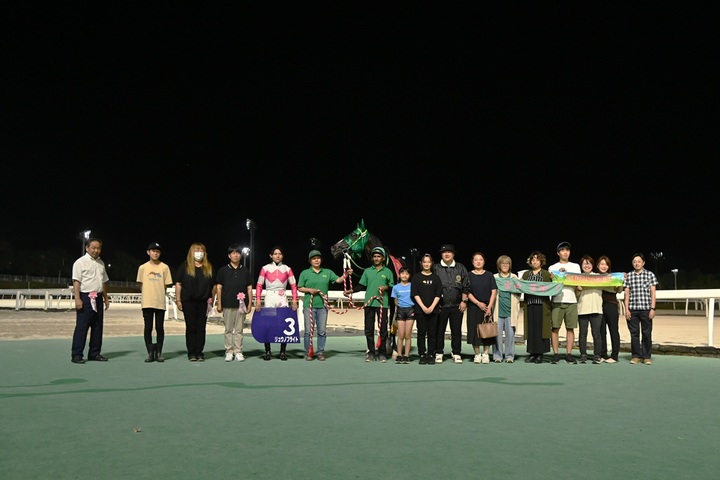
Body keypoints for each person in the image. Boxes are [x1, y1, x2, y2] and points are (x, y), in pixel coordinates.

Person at [296, 249, 350, 361]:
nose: (316, 260)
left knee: (321, 331)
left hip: (323, 307)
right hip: (309, 306)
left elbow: (338, 280)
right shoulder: (305, 273)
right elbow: (300, 287)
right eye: (314, 259)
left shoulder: (327, 272)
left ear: (321, 260)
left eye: (318, 258)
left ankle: (320, 352)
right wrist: (310, 290)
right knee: (308, 331)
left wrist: (345, 275)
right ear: (310, 261)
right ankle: (308, 352)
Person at [345, 246, 395, 362]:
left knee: (383, 330)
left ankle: (382, 353)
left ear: (383, 258)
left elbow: (392, 287)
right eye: (374, 256)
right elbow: (361, 286)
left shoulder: (388, 272)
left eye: (379, 256)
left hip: (382, 304)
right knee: (369, 329)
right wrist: (351, 291)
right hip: (369, 304)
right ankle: (371, 352)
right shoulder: (367, 271)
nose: (376, 258)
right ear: (372, 258)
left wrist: (386, 287)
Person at [70, 237, 110, 364]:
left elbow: (103, 282)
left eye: (98, 248)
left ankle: (94, 353)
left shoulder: (101, 263)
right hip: (85, 298)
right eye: (93, 248)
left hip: (98, 298)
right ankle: (77, 354)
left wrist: (105, 298)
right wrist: (77, 299)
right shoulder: (80, 262)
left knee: (98, 327)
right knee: (82, 327)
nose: (96, 250)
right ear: (87, 248)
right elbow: (76, 281)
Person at [255, 245, 298, 361]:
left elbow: (294, 286)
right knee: (268, 324)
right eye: (275, 254)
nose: (277, 256)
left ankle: (282, 352)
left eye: (279, 254)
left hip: (282, 297)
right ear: (271, 255)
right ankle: (268, 351)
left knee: (283, 324)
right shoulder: (265, 268)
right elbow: (259, 285)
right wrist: (258, 300)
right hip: (269, 296)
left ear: (282, 256)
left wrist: (294, 300)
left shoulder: (287, 269)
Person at [175, 242, 214, 362]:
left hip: (203, 302)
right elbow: (178, 284)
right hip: (188, 302)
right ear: (191, 252)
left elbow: (213, 286)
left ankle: (199, 352)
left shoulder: (208, 267)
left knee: (201, 328)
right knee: (191, 327)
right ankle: (191, 352)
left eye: (201, 250)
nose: (199, 253)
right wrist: (178, 300)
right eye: (197, 250)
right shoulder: (184, 266)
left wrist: (212, 299)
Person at [215, 244, 254, 362]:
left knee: (239, 330)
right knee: (228, 329)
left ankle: (238, 351)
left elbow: (249, 289)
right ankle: (229, 351)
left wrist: (249, 303)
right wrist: (219, 303)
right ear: (229, 255)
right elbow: (219, 288)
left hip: (241, 306)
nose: (236, 255)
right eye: (233, 253)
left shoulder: (245, 271)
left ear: (240, 255)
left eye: (238, 253)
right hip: (227, 304)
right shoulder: (223, 270)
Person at [136, 242, 173, 363]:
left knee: (159, 328)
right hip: (147, 302)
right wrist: (147, 293)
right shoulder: (142, 267)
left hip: (160, 303)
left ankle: (159, 352)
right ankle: (150, 352)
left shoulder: (164, 267)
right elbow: (140, 284)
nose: (155, 253)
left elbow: (166, 284)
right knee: (148, 328)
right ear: (148, 252)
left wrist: (158, 293)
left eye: (157, 251)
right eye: (153, 251)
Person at [434, 244, 470, 364]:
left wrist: (464, 301)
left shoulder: (460, 268)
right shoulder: (436, 268)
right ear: (441, 254)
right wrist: (435, 303)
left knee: (456, 331)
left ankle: (456, 353)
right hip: (441, 306)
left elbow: (466, 286)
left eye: (449, 252)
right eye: (444, 252)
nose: (447, 254)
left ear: (453, 254)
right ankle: (439, 352)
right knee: (439, 330)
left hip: (457, 305)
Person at [548, 241, 581, 364]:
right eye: (562, 250)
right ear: (558, 253)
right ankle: (556, 354)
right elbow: (549, 285)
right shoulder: (552, 267)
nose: (565, 252)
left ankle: (568, 354)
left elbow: (579, 283)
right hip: (557, 301)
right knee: (555, 328)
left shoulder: (575, 266)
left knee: (570, 328)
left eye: (567, 250)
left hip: (571, 300)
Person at [623, 253, 659, 365]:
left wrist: (653, 308)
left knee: (646, 333)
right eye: (634, 261)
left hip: (646, 309)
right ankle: (635, 356)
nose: (637, 263)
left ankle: (646, 356)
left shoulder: (650, 275)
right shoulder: (629, 276)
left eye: (639, 261)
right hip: (632, 309)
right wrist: (626, 309)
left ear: (643, 263)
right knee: (634, 334)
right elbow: (626, 294)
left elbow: (653, 293)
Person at [411, 254, 443, 365]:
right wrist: (423, 307)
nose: (426, 264)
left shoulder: (436, 278)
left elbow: (438, 294)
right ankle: (422, 354)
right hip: (420, 311)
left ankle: (430, 354)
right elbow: (415, 294)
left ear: (432, 263)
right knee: (421, 333)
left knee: (432, 333)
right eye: (424, 262)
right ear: (421, 263)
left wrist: (432, 307)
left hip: (433, 310)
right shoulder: (416, 277)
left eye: (428, 262)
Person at [521, 251, 552, 364]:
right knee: (531, 329)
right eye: (533, 260)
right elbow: (521, 286)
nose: (534, 262)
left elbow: (553, 287)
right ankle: (532, 353)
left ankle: (540, 354)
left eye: (537, 260)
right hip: (530, 304)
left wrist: (555, 279)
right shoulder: (526, 274)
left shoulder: (546, 274)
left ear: (541, 261)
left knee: (541, 330)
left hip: (542, 305)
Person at [466, 252, 497, 364]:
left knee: (487, 330)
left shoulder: (489, 275)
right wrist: (478, 303)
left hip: (487, 307)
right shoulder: (468, 275)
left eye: (480, 259)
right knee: (474, 330)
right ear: (472, 262)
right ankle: (477, 354)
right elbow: (467, 292)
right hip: (473, 307)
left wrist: (489, 307)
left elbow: (494, 291)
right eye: (476, 259)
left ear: (484, 262)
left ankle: (486, 354)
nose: (478, 262)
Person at [576, 255, 604, 364]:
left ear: (593, 265)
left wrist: (621, 277)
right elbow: (576, 295)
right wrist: (578, 290)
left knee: (596, 334)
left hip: (596, 308)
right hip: (582, 308)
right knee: (583, 334)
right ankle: (583, 355)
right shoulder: (577, 278)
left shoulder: (599, 277)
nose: (587, 266)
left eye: (589, 263)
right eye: (584, 264)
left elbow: (612, 282)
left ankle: (597, 355)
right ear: (581, 266)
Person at [493, 255, 521, 363]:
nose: (505, 265)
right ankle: (497, 356)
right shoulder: (495, 277)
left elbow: (519, 292)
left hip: (510, 311)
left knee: (510, 335)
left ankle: (509, 356)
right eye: (502, 263)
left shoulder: (514, 278)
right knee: (497, 336)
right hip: (498, 311)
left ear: (510, 265)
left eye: (507, 263)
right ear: (499, 265)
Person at [597, 255, 622, 363]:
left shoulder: (613, 277)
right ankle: (603, 354)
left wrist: (621, 282)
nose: (604, 266)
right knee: (601, 331)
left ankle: (614, 356)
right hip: (599, 305)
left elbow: (619, 290)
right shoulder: (594, 277)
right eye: (602, 264)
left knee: (613, 330)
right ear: (597, 265)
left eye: (606, 264)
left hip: (611, 305)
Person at [391, 267, 414, 364]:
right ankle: (399, 355)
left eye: (407, 274)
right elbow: (395, 300)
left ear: (409, 275)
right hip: (400, 310)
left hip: (410, 310)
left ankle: (406, 355)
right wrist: (399, 307)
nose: (404, 275)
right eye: (402, 273)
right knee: (400, 334)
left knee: (407, 335)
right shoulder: (395, 287)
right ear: (399, 275)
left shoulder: (412, 286)